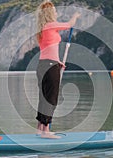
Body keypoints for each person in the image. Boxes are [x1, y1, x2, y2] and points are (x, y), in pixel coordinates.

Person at [36, 0, 80, 139]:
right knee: (51, 99)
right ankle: (46, 131)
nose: (56, 12)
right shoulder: (51, 25)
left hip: (43, 65)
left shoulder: (42, 28)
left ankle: (40, 129)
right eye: (54, 10)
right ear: (49, 13)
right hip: (49, 67)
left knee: (44, 97)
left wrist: (58, 61)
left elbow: (47, 50)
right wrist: (76, 16)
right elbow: (69, 25)